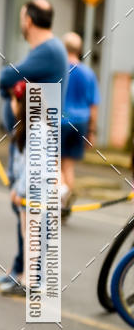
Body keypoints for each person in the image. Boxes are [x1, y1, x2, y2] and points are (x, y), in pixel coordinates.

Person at [0, 0, 68, 295]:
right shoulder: (43, 51)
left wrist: (10, 87)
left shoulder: (48, 50)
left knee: (32, 212)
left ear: (29, 21)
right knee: (25, 212)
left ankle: (31, 277)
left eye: (22, 16)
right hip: (28, 136)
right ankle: (20, 270)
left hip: (37, 137)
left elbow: (6, 77)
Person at [60, 31, 100, 216]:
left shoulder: (58, 70)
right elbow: (93, 105)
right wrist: (91, 131)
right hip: (81, 122)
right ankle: (65, 203)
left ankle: (61, 196)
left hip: (60, 121)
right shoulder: (88, 73)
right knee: (68, 164)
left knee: (53, 162)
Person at [4, 80, 27, 297]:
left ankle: (30, 280)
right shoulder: (21, 128)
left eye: (14, 100)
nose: (11, 104)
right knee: (26, 234)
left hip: (31, 197)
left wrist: (19, 191)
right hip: (24, 196)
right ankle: (23, 275)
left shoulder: (35, 131)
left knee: (32, 238)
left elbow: (31, 167)